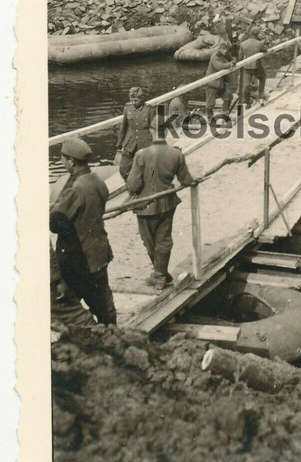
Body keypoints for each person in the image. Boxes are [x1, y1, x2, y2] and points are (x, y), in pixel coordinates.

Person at [49, 137, 117, 325]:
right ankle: (113, 337)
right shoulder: (97, 181)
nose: (61, 162)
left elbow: (55, 222)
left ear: (71, 161)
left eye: (63, 158)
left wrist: (55, 210)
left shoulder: (76, 188)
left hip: (78, 256)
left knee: (67, 303)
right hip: (99, 251)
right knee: (104, 303)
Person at [126, 133, 195, 290]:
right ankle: (161, 274)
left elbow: (133, 185)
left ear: (151, 132)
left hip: (145, 206)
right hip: (167, 203)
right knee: (163, 239)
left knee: (148, 241)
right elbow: (186, 180)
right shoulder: (176, 153)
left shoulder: (141, 154)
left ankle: (159, 276)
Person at [116, 87, 155, 180]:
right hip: (130, 143)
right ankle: (131, 185)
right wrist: (119, 144)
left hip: (145, 143)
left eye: (136, 100)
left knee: (147, 169)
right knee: (124, 169)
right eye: (131, 100)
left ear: (141, 99)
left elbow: (155, 129)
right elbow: (124, 127)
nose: (133, 102)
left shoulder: (149, 109)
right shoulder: (127, 108)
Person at [205, 42, 236, 120]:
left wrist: (233, 62)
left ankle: (224, 116)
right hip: (212, 83)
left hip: (221, 82)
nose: (225, 51)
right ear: (219, 49)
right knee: (210, 104)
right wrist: (229, 64)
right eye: (223, 49)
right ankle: (210, 118)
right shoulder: (214, 56)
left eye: (226, 49)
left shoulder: (225, 54)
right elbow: (219, 66)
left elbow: (233, 59)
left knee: (228, 97)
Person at [238, 25, 267, 107]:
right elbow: (265, 50)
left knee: (246, 84)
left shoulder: (243, 44)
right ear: (257, 34)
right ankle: (261, 95)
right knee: (263, 77)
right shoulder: (259, 43)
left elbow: (240, 57)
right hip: (256, 66)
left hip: (246, 67)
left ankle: (247, 102)